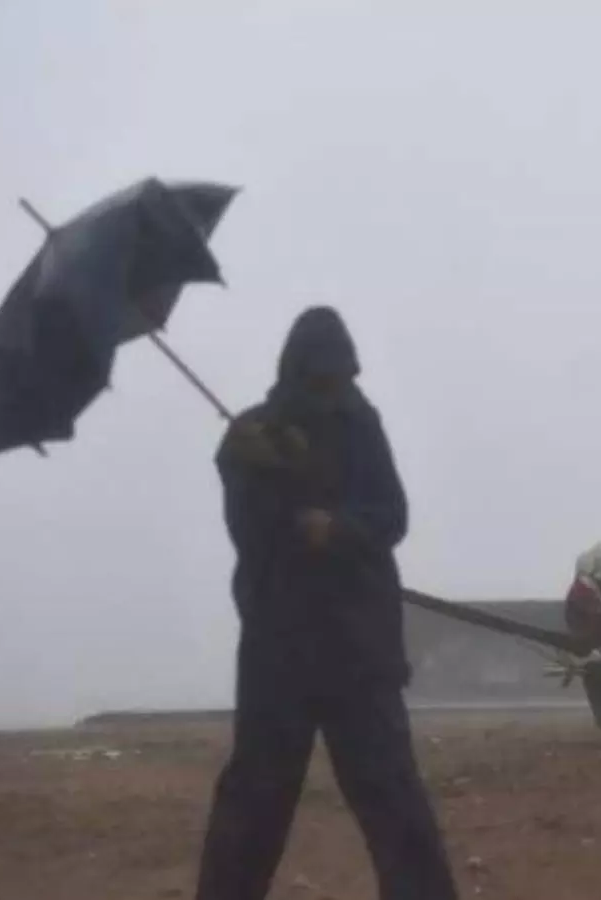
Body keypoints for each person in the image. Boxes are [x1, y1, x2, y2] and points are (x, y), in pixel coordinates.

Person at [195, 307, 459, 900]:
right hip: (278, 648)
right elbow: (252, 536)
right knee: (255, 801)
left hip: (359, 647)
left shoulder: (362, 425)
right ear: (298, 371)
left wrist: (336, 528)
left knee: (394, 798)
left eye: (343, 377)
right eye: (325, 378)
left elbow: (392, 515)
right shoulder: (249, 435)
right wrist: (250, 470)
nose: (337, 389)